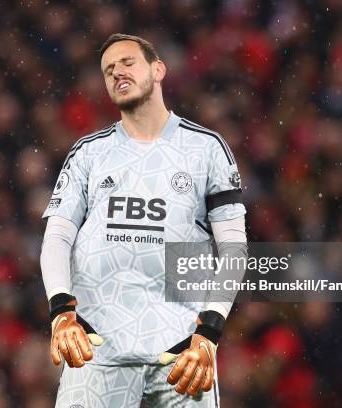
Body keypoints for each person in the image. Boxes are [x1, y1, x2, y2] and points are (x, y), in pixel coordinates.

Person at [40, 33, 247, 407]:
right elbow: (56, 237)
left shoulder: (206, 148)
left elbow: (234, 247)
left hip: (180, 350)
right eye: (108, 70)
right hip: (97, 348)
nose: (117, 72)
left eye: (127, 62)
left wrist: (210, 332)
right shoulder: (89, 153)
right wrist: (60, 311)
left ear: (158, 69)